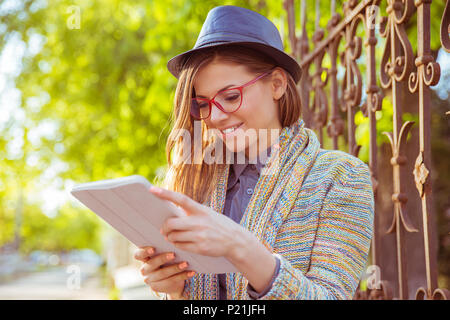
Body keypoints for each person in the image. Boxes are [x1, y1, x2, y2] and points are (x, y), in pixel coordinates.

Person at [133, 5, 374, 300]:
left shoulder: (341, 177)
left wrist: (240, 247)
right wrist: (173, 291)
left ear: (277, 84)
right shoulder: (194, 180)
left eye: (231, 96)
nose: (216, 117)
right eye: (204, 104)